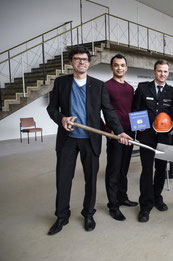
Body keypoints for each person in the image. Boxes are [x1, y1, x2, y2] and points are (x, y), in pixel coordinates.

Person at [47, 47, 132, 235]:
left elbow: (109, 112)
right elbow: (52, 108)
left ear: (89, 62)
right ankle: (62, 216)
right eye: (77, 59)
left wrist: (120, 132)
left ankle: (88, 213)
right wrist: (61, 119)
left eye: (85, 59)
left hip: (90, 140)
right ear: (71, 62)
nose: (81, 62)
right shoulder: (61, 83)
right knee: (63, 179)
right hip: (67, 139)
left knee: (90, 180)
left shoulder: (98, 85)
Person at [132, 59, 173, 223]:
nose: (162, 74)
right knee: (147, 169)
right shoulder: (143, 88)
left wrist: (172, 128)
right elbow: (135, 109)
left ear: (168, 73)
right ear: (154, 72)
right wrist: (139, 125)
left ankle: (157, 196)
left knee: (161, 168)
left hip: (164, 137)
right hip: (146, 137)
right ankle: (145, 205)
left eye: (165, 71)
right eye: (159, 71)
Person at [103, 54, 138, 222]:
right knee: (114, 170)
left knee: (124, 168)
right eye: (116, 65)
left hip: (129, 134)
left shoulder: (130, 88)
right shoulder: (106, 87)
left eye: (122, 65)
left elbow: (132, 112)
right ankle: (113, 205)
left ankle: (122, 197)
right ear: (112, 67)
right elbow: (99, 111)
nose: (119, 68)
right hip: (116, 136)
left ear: (126, 68)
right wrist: (107, 130)